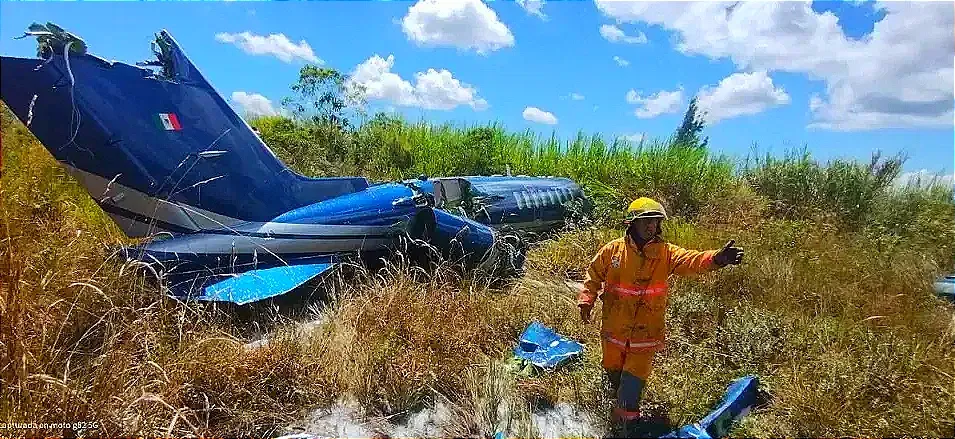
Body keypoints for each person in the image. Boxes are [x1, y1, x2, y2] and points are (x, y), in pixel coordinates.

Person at [577, 197, 744, 436]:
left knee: (632, 383)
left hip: (645, 335)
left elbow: (691, 260)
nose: (651, 226)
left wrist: (716, 259)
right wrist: (586, 299)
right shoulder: (613, 250)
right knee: (612, 373)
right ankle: (608, 411)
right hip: (613, 331)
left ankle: (626, 428)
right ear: (632, 223)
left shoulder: (666, 253)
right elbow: (593, 274)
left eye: (655, 222)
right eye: (646, 221)